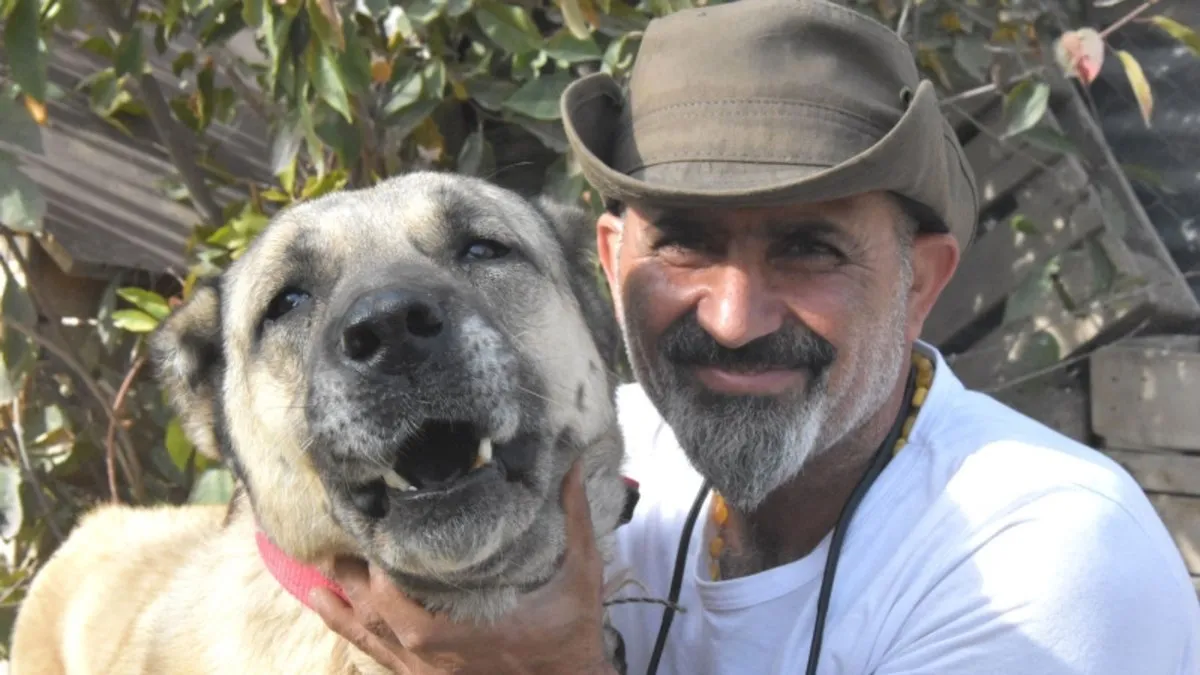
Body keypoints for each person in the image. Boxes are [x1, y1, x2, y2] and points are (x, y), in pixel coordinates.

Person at [309, 0, 1200, 672]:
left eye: (809, 248)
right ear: (614, 259)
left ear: (919, 282)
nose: (734, 319)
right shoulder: (605, 452)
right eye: (687, 241)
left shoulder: (1042, 556)